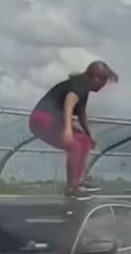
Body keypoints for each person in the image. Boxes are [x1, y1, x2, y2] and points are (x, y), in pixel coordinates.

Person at [28, 61, 118, 199]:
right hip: (42, 119)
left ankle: (79, 180)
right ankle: (72, 186)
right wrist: (67, 131)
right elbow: (69, 105)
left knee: (85, 142)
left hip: (51, 120)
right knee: (74, 144)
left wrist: (88, 134)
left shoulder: (84, 90)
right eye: (104, 80)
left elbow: (81, 114)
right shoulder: (78, 86)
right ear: (95, 78)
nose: (104, 85)